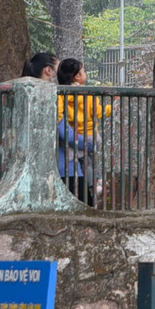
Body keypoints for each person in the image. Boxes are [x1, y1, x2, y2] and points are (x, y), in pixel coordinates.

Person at [54, 59, 97, 206]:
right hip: (66, 166)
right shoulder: (61, 98)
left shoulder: (65, 96)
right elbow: (68, 135)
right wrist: (91, 144)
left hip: (71, 164)